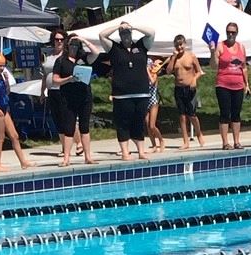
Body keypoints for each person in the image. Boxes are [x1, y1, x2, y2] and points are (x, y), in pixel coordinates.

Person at [98, 18, 156, 161]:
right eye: (123, 33)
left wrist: (133, 26)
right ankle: (125, 152)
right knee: (123, 123)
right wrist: (118, 26)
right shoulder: (114, 48)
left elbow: (151, 33)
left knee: (139, 122)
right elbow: (102, 35)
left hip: (141, 93)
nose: (125, 36)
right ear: (119, 35)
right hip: (122, 94)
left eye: (127, 33)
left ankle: (141, 151)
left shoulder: (141, 46)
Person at [50, 34, 98, 166]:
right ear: (67, 45)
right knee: (69, 128)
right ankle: (66, 158)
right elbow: (55, 80)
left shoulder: (84, 58)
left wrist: (83, 39)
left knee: (84, 127)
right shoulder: (61, 60)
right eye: (71, 44)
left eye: (76, 45)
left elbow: (96, 52)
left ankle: (88, 157)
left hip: (84, 97)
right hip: (68, 98)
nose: (74, 47)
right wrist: (68, 79)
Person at [0, 49, 33, 172]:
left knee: (14, 136)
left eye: (3, 66)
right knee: (0, 138)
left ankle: (23, 162)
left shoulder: (1, 76)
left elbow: (7, 92)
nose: (2, 68)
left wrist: (6, 81)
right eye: (0, 66)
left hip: (4, 109)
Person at [214, 23, 250, 149]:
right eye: (228, 32)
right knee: (225, 113)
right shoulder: (220, 46)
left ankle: (236, 141)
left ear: (237, 33)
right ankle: (225, 142)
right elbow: (214, 65)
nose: (230, 34)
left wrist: (247, 84)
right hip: (223, 84)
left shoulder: (241, 47)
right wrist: (212, 52)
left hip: (238, 85)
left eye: (233, 32)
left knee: (236, 113)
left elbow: (244, 67)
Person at [168, 35, 204, 149]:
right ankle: (185, 141)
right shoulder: (174, 58)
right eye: (177, 45)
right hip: (179, 88)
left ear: (184, 44)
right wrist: (173, 58)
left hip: (190, 88)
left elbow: (199, 71)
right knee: (182, 116)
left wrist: (194, 79)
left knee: (192, 115)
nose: (179, 47)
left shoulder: (191, 56)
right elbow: (168, 71)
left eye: (181, 45)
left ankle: (199, 133)